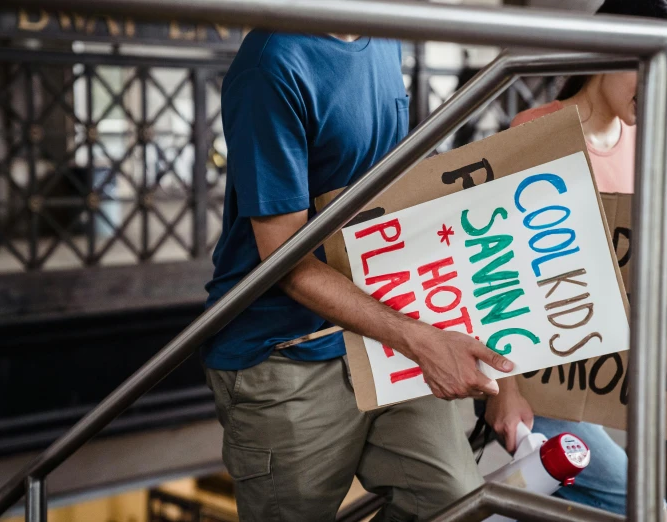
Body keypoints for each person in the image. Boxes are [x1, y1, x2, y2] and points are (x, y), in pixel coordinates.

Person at [203, 30, 515, 522]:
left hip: (379, 324)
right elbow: (284, 261)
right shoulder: (270, 64)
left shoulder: (383, 36)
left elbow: (388, 185)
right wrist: (419, 340)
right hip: (285, 354)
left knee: (454, 505)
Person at [483, 0, 667, 516]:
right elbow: (500, 267)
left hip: (593, 380)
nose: (664, 89)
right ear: (609, 51)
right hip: (537, 383)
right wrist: (506, 390)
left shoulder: (643, 139)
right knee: (648, 511)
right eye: (652, 68)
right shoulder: (540, 129)